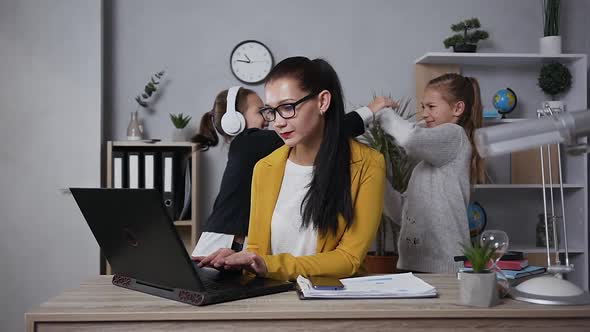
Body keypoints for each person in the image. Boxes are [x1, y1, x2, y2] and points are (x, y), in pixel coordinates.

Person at [195, 56, 386, 281]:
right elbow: (258, 249)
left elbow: (349, 258)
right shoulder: (264, 168)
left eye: (287, 107)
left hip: (330, 300)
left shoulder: (367, 164)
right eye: (270, 111)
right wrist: (242, 260)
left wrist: (268, 264)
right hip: (270, 298)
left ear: (322, 102)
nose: (277, 122)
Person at [379, 72, 485, 273]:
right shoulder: (423, 168)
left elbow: (410, 137)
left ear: (457, 108)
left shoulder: (456, 136)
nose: (425, 113)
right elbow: (401, 213)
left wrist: (381, 112)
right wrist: (377, 179)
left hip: (444, 268)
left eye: (431, 107)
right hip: (413, 265)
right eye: (423, 107)